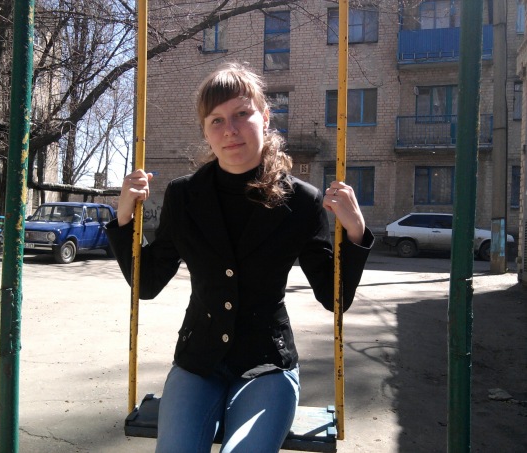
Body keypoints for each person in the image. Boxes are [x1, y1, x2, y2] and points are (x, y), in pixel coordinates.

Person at [106, 62, 374, 453]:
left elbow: (335, 297)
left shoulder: (301, 201)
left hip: (268, 366)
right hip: (198, 361)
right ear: (205, 131)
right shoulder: (184, 196)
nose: (229, 129)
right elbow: (146, 284)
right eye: (216, 120)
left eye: (241, 114)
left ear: (264, 118)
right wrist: (124, 219)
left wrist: (355, 232)